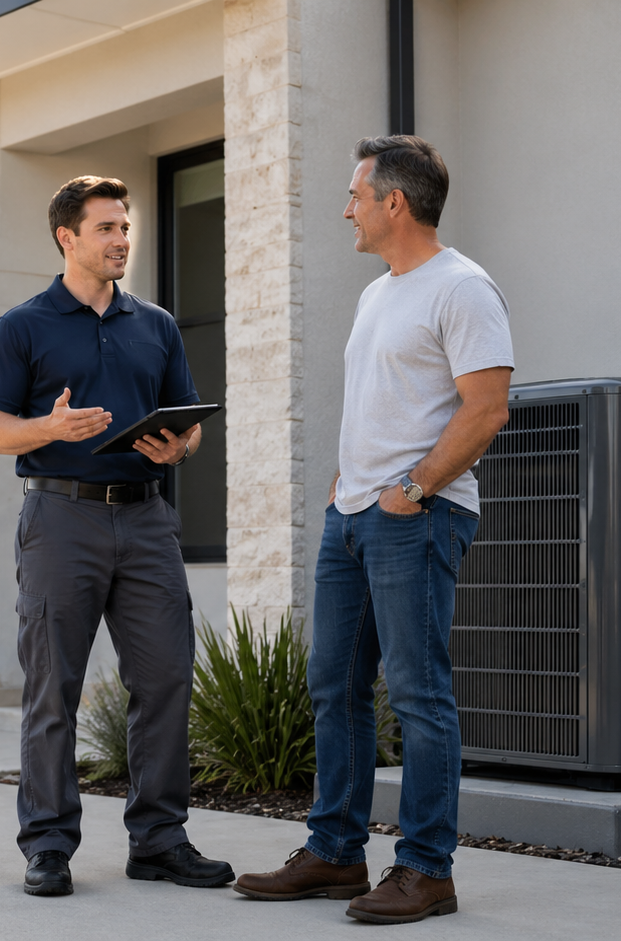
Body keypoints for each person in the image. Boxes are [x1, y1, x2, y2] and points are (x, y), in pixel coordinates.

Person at [233, 136, 513, 924]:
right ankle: (335, 852)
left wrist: (414, 488)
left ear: (396, 202)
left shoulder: (462, 287)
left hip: (415, 519)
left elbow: (486, 407)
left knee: (419, 695)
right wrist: (346, 484)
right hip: (352, 518)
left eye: (356, 195)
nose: (345, 209)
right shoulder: (376, 292)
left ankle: (427, 868)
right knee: (334, 686)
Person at [0, 175, 233, 898]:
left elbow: (190, 426)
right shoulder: (23, 325)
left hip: (147, 517)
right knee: (53, 686)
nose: (123, 239)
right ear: (68, 237)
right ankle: (49, 844)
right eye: (108, 228)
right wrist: (49, 428)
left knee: (166, 678)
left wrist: (176, 448)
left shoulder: (155, 324)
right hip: (61, 517)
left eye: (126, 226)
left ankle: (159, 838)